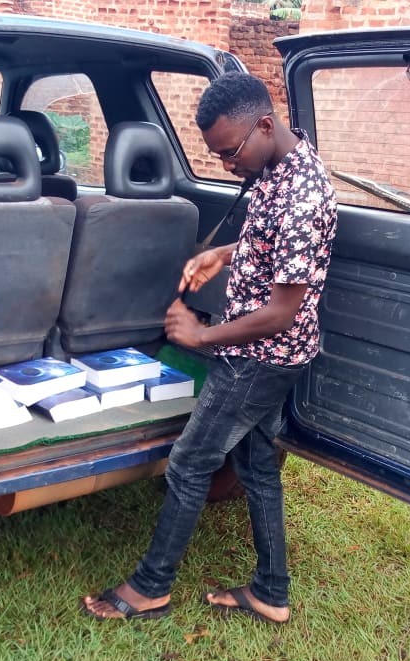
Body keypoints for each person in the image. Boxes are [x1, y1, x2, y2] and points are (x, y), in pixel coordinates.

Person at [82, 72, 337, 624]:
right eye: (217, 155)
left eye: (229, 152)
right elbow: (270, 241)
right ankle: (271, 593)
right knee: (257, 466)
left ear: (264, 125)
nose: (225, 165)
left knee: (190, 462)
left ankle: (151, 587)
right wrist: (221, 254)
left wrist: (200, 336)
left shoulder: (303, 195)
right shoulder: (278, 166)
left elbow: (281, 313)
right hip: (270, 356)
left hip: (259, 359)